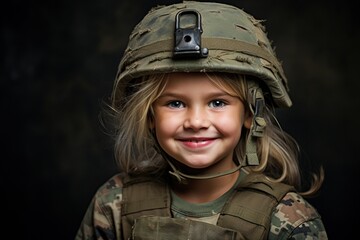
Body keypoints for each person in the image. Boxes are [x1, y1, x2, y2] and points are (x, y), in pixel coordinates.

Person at [75, 1, 327, 239]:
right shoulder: (113, 205)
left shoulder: (288, 219)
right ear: (150, 115)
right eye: (175, 103)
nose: (196, 121)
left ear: (251, 114)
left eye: (218, 103)